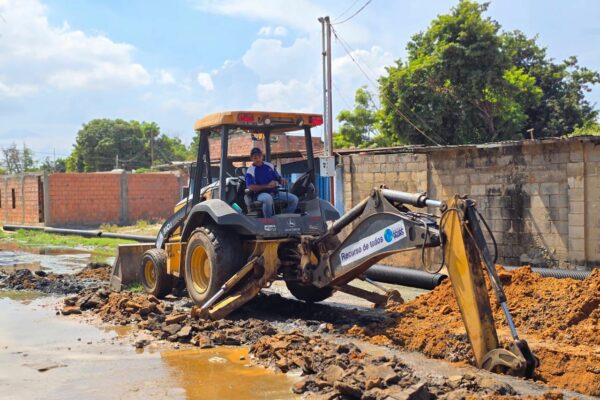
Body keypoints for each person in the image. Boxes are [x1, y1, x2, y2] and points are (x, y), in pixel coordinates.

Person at [245, 147, 299, 218]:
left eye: (259, 157)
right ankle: (269, 221)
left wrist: (282, 180)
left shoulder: (269, 166)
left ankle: (283, 218)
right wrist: (267, 186)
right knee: (268, 199)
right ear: (251, 158)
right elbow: (250, 187)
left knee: (294, 199)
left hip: (275, 192)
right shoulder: (250, 170)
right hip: (260, 194)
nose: (258, 159)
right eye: (255, 158)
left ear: (262, 156)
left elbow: (278, 178)